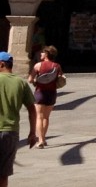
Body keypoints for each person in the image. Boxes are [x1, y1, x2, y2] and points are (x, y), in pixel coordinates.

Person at [0, 51, 36, 186]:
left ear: (1, 64)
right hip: (11, 132)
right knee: (3, 174)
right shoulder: (21, 83)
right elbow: (32, 109)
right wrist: (32, 133)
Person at [27, 46, 61, 150]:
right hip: (51, 93)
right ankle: (44, 138)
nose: (40, 54)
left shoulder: (38, 65)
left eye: (42, 53)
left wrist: (36, 80)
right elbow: (60, 79)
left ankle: (40, 140)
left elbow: (30, 79)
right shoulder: (57, 66)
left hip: (40, 93)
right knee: (46, 117)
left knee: (39, 117)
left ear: (46, 54)